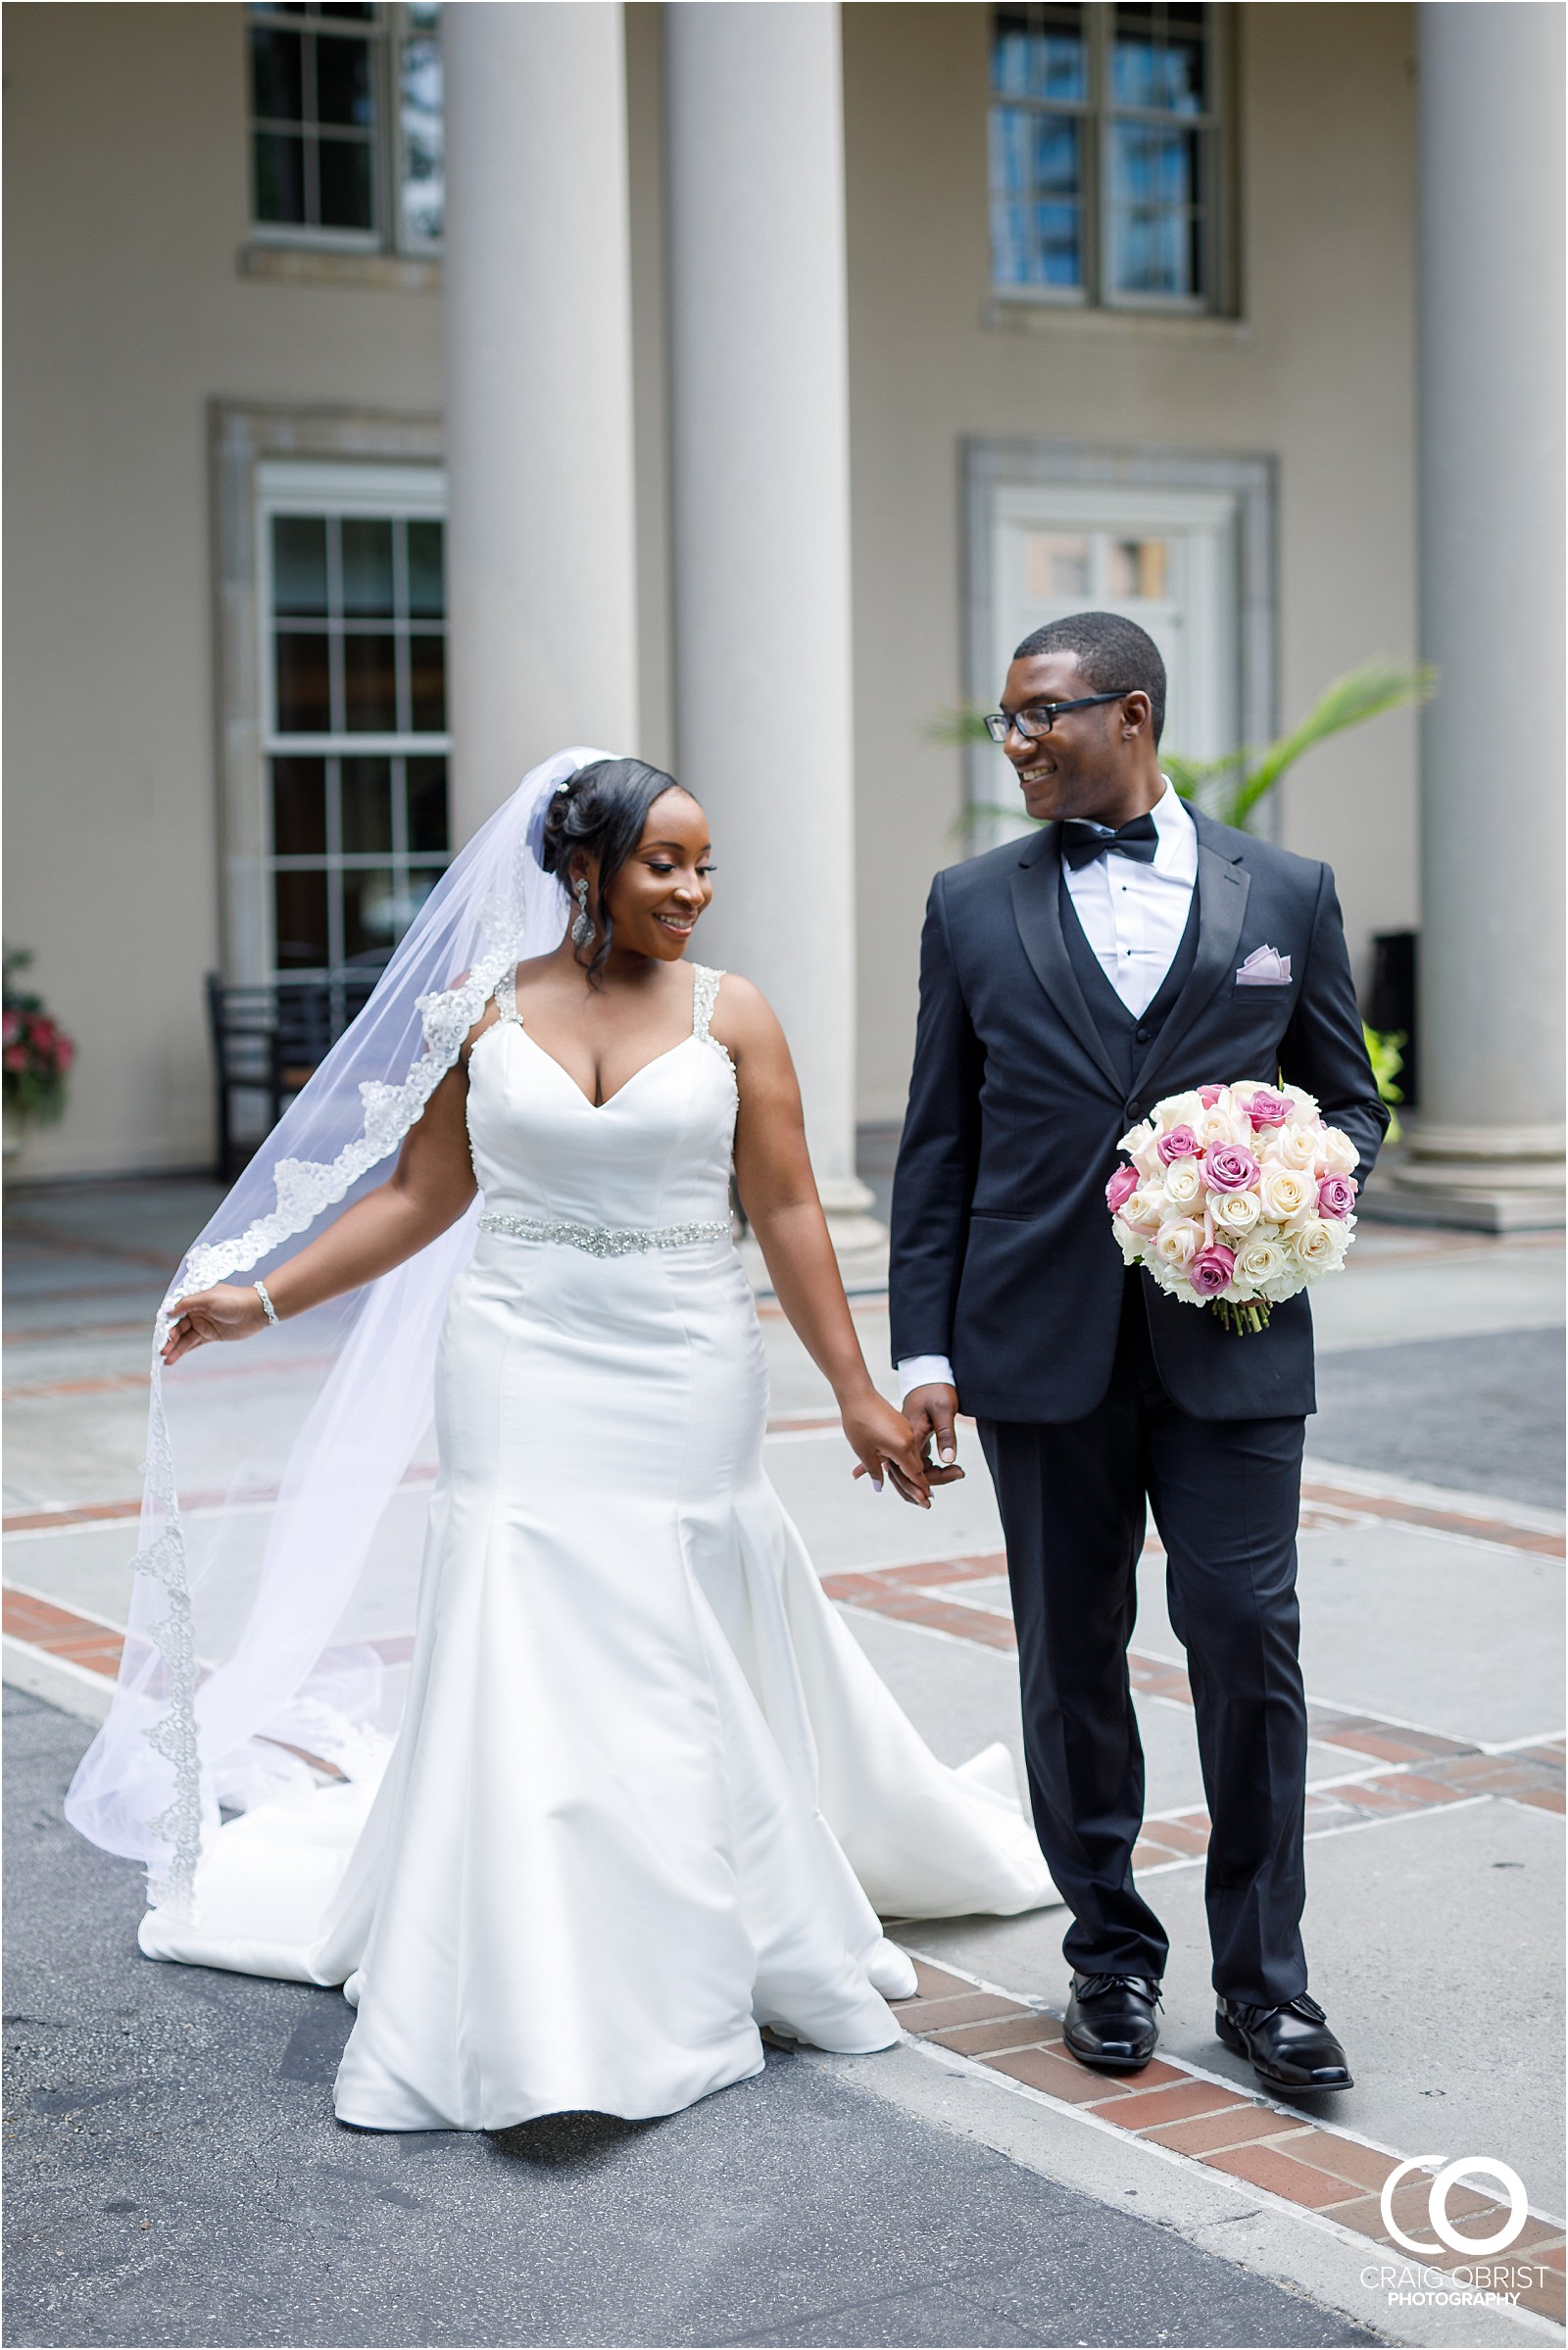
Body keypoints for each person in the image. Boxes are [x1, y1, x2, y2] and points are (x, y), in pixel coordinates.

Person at [87, 753, 1054, 2134]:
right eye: (666, 863)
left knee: (672, 1624)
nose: (694, 890)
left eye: (706, 864)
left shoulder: (738, 1016)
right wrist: (264, 1292)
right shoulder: (480, 1006)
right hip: (516, 1352)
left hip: (682, 1357)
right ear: (584, 868)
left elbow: (784, 1210)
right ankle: (532, 1929)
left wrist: (852, 1384)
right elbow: (424, 1192)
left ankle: (696, 1913)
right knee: (522, 1609)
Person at [890, 614, 1388, 2097]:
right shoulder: (970, 904)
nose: (1020, 743)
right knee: (1069, 1663)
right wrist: (923, 1347)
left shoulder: (1285, 889)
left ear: (1134, 712)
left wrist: (1285, 1177)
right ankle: (1108, 1959)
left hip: (1232, 1346)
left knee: (1247, 1644)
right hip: (1035, 1350)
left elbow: (1350, 1104)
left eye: (1043, 715)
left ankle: (1267, 1984)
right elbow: (937, 1145)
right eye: (1006, 722)